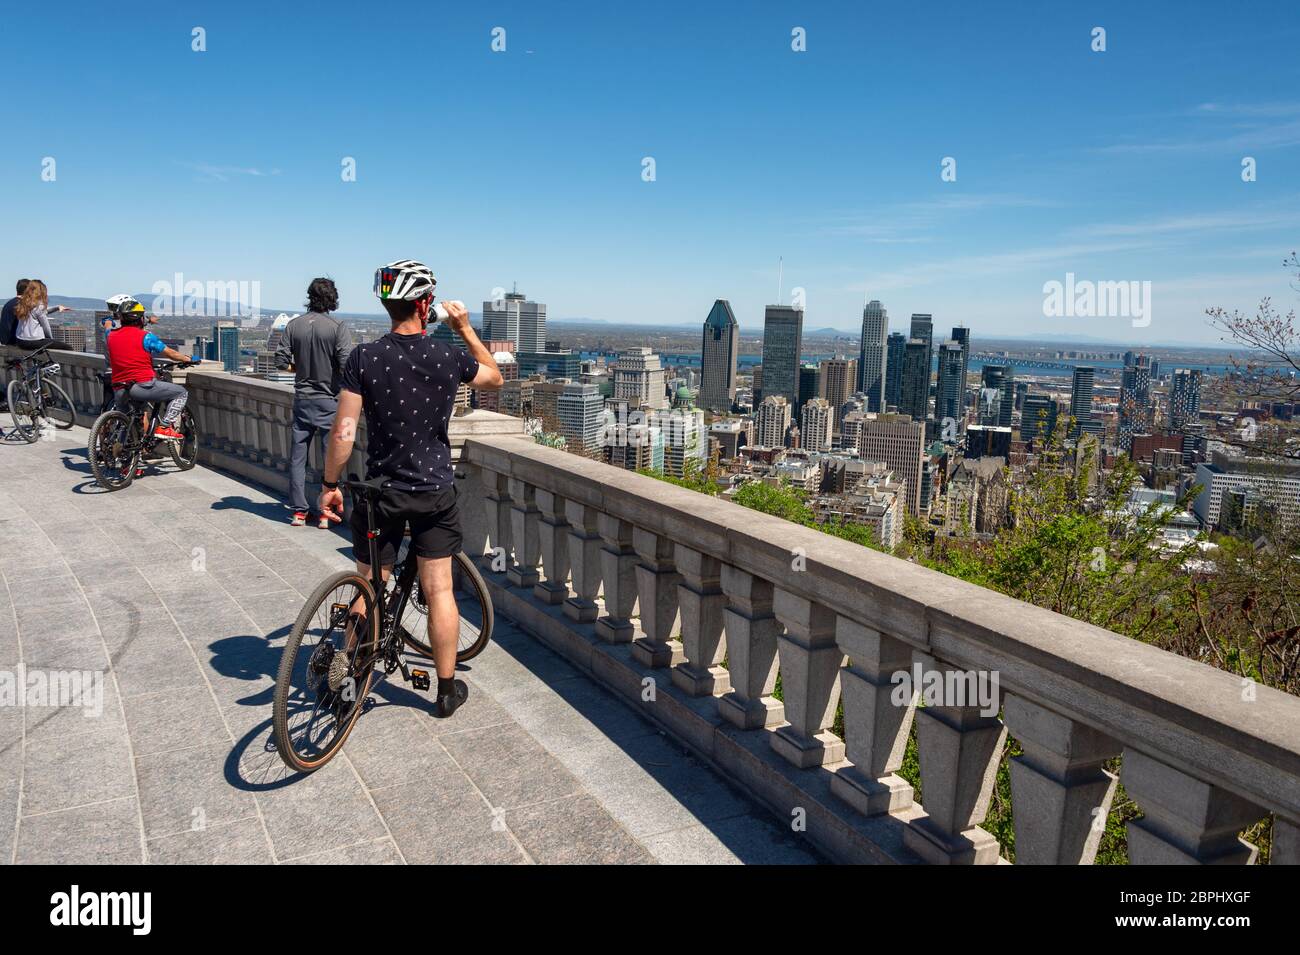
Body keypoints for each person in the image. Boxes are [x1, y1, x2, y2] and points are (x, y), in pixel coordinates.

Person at [319, 260, 503, 718]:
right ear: (425, 305)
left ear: (387, 304)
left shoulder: (364, 358)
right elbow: (495, 377)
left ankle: (350, 677)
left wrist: (329, 485)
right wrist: (463, 327)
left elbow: (343, 432)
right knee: (439, 589)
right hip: (432, 491)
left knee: (369, 583)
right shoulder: (447, 356)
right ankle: (444, 691)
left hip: (378, 492)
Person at [275, 278, 354, 528]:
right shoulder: (337, 326)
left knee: (298, 458)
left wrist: (298, 368)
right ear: (333, 298)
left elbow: (280, 360)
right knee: (330, 458)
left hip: (302, 399)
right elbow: (345, 365)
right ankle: (325, 513)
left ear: (310, 296)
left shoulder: (294, 325)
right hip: (328, 401)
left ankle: (299, 511)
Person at [105, 302, 193, 441]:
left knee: (125, 423)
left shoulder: (110, 335)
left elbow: (108, 326)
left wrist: (108, 321)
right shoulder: (146, 337)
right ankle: (164, 427)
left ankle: (121, 453)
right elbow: (170, 353)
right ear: (140, 319)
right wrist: (187, 358)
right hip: (142, 386)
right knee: (181, 393)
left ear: (121, 319)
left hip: (119, 387)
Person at [10, 280, 73, 368]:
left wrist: (57, 308)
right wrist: (51, 341)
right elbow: (46, 328)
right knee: (68, 348)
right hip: (32, 342)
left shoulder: (24, 304)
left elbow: (41, 312)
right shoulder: (38, 306)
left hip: (20, 341)